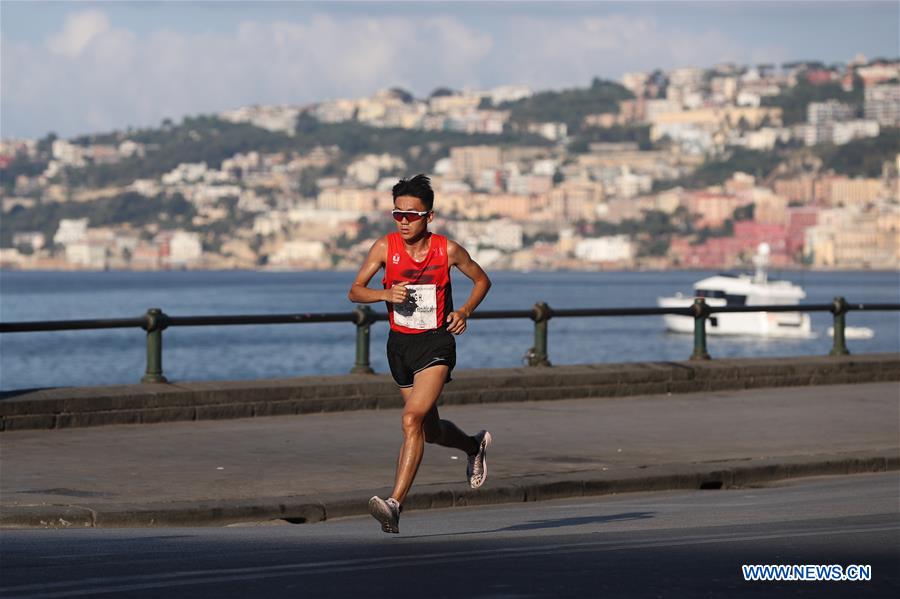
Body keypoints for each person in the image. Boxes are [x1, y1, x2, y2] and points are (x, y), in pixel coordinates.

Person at [347, 174, 493, 534]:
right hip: (400, 346)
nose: (404, 221)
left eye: (411, 214)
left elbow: (482, 280)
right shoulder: (384, 248)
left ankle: (394, 503)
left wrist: (465, 312)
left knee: (411, 420)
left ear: (429, 215)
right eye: (398, 214)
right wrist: (384, 295)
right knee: (427, 430)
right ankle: (473, 445)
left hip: (436, 343)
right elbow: (354, 291)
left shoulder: (448, 250)